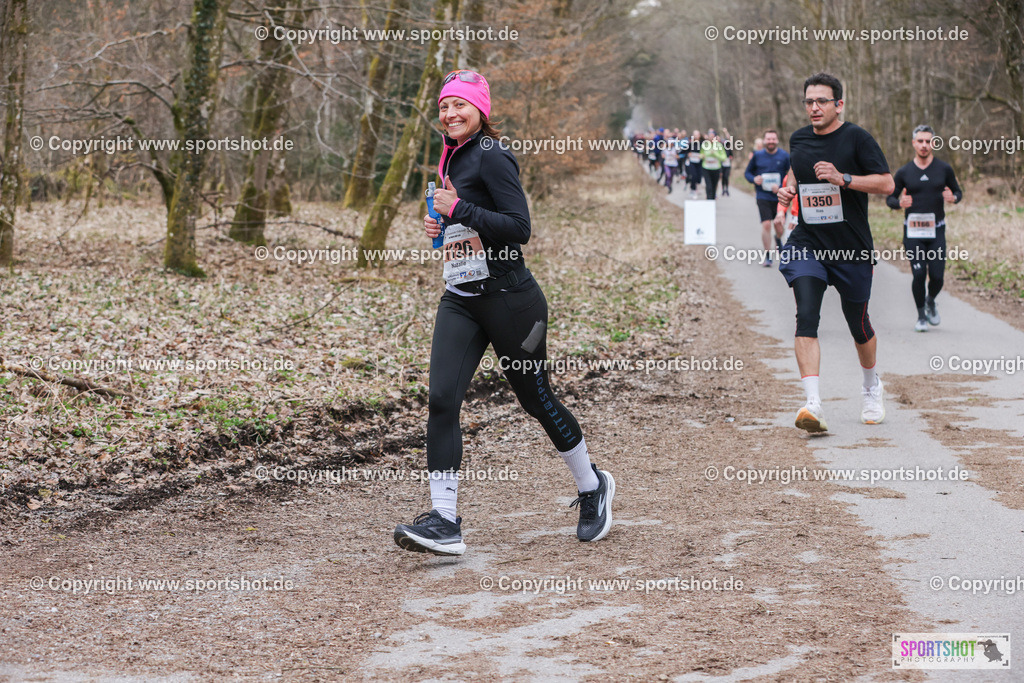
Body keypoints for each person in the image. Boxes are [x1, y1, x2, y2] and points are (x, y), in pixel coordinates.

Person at [393, 70, 615, 556]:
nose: (450, 114)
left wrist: (459, 210)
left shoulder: (492, 154)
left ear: (481, 110)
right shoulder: (449, 155)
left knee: (537, 401)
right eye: (444, 106)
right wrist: (438, 222)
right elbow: (460, 222)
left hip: (512, 301)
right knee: (441, 400)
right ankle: (445, 521)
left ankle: (591, 485)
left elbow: (518, 227)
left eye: (460, 105)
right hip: (461, 298)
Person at [776, 72, 894, 433]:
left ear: (838, 104)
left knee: (858, 324)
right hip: (808, 243)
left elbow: (886, 183)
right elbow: (795, 174)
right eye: (809, 102)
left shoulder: (857, 138)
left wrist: (843, 178)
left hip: (852, 249)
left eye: (822, 101)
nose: (814, 107)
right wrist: (787, 193)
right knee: (806, 316)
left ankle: (872, 387)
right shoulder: (798, 139)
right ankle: (813, 404)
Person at [885, 124, 963, 332]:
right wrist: (898, 203)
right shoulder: (904, 172)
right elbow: (890, 198)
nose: (924, 145)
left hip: (936, 230)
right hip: (913, 232)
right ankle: (921, 316)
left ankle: (930, 300)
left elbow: (958, 192)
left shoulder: (944, 169)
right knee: (919, 275)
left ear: (934, 143)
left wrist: (953, 197)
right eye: (920, 141)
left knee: (937, 277)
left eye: (928, 141)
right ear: (913, 143)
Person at [744, 129, 791, 266]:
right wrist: (754, 179)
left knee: (779, 225)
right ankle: (768, 255)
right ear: (764, 141)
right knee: (766, 224)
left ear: (777, 140)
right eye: (768, 139)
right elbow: (747, 173)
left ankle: (777, 238)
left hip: (780, 197)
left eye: (773, 139)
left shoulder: (784, 156)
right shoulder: (757, 156)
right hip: (763, 195)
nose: (771, 141)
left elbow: (791, 175)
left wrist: (783, 186)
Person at [700, 131, 727, 200]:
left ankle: (712, 199)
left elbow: (724, 158)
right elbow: (701, 155)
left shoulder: (719, 146)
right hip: (706, 168)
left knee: (714, 186)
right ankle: (709, 200)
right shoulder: (704, 145)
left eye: (712, 137)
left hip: (716, 168)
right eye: (710, 137)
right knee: (709, 186)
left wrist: (715, 154)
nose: (711, 138)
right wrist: (703, 156)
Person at [720, 128, 734, 196]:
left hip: (728, 165)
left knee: (726, 177)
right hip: (722, 165)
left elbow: (732, 156)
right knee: (723, 178)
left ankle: (727, 189)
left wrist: (726, 132)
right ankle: (723, 190)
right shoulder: (721, 148)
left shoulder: (729, 148)